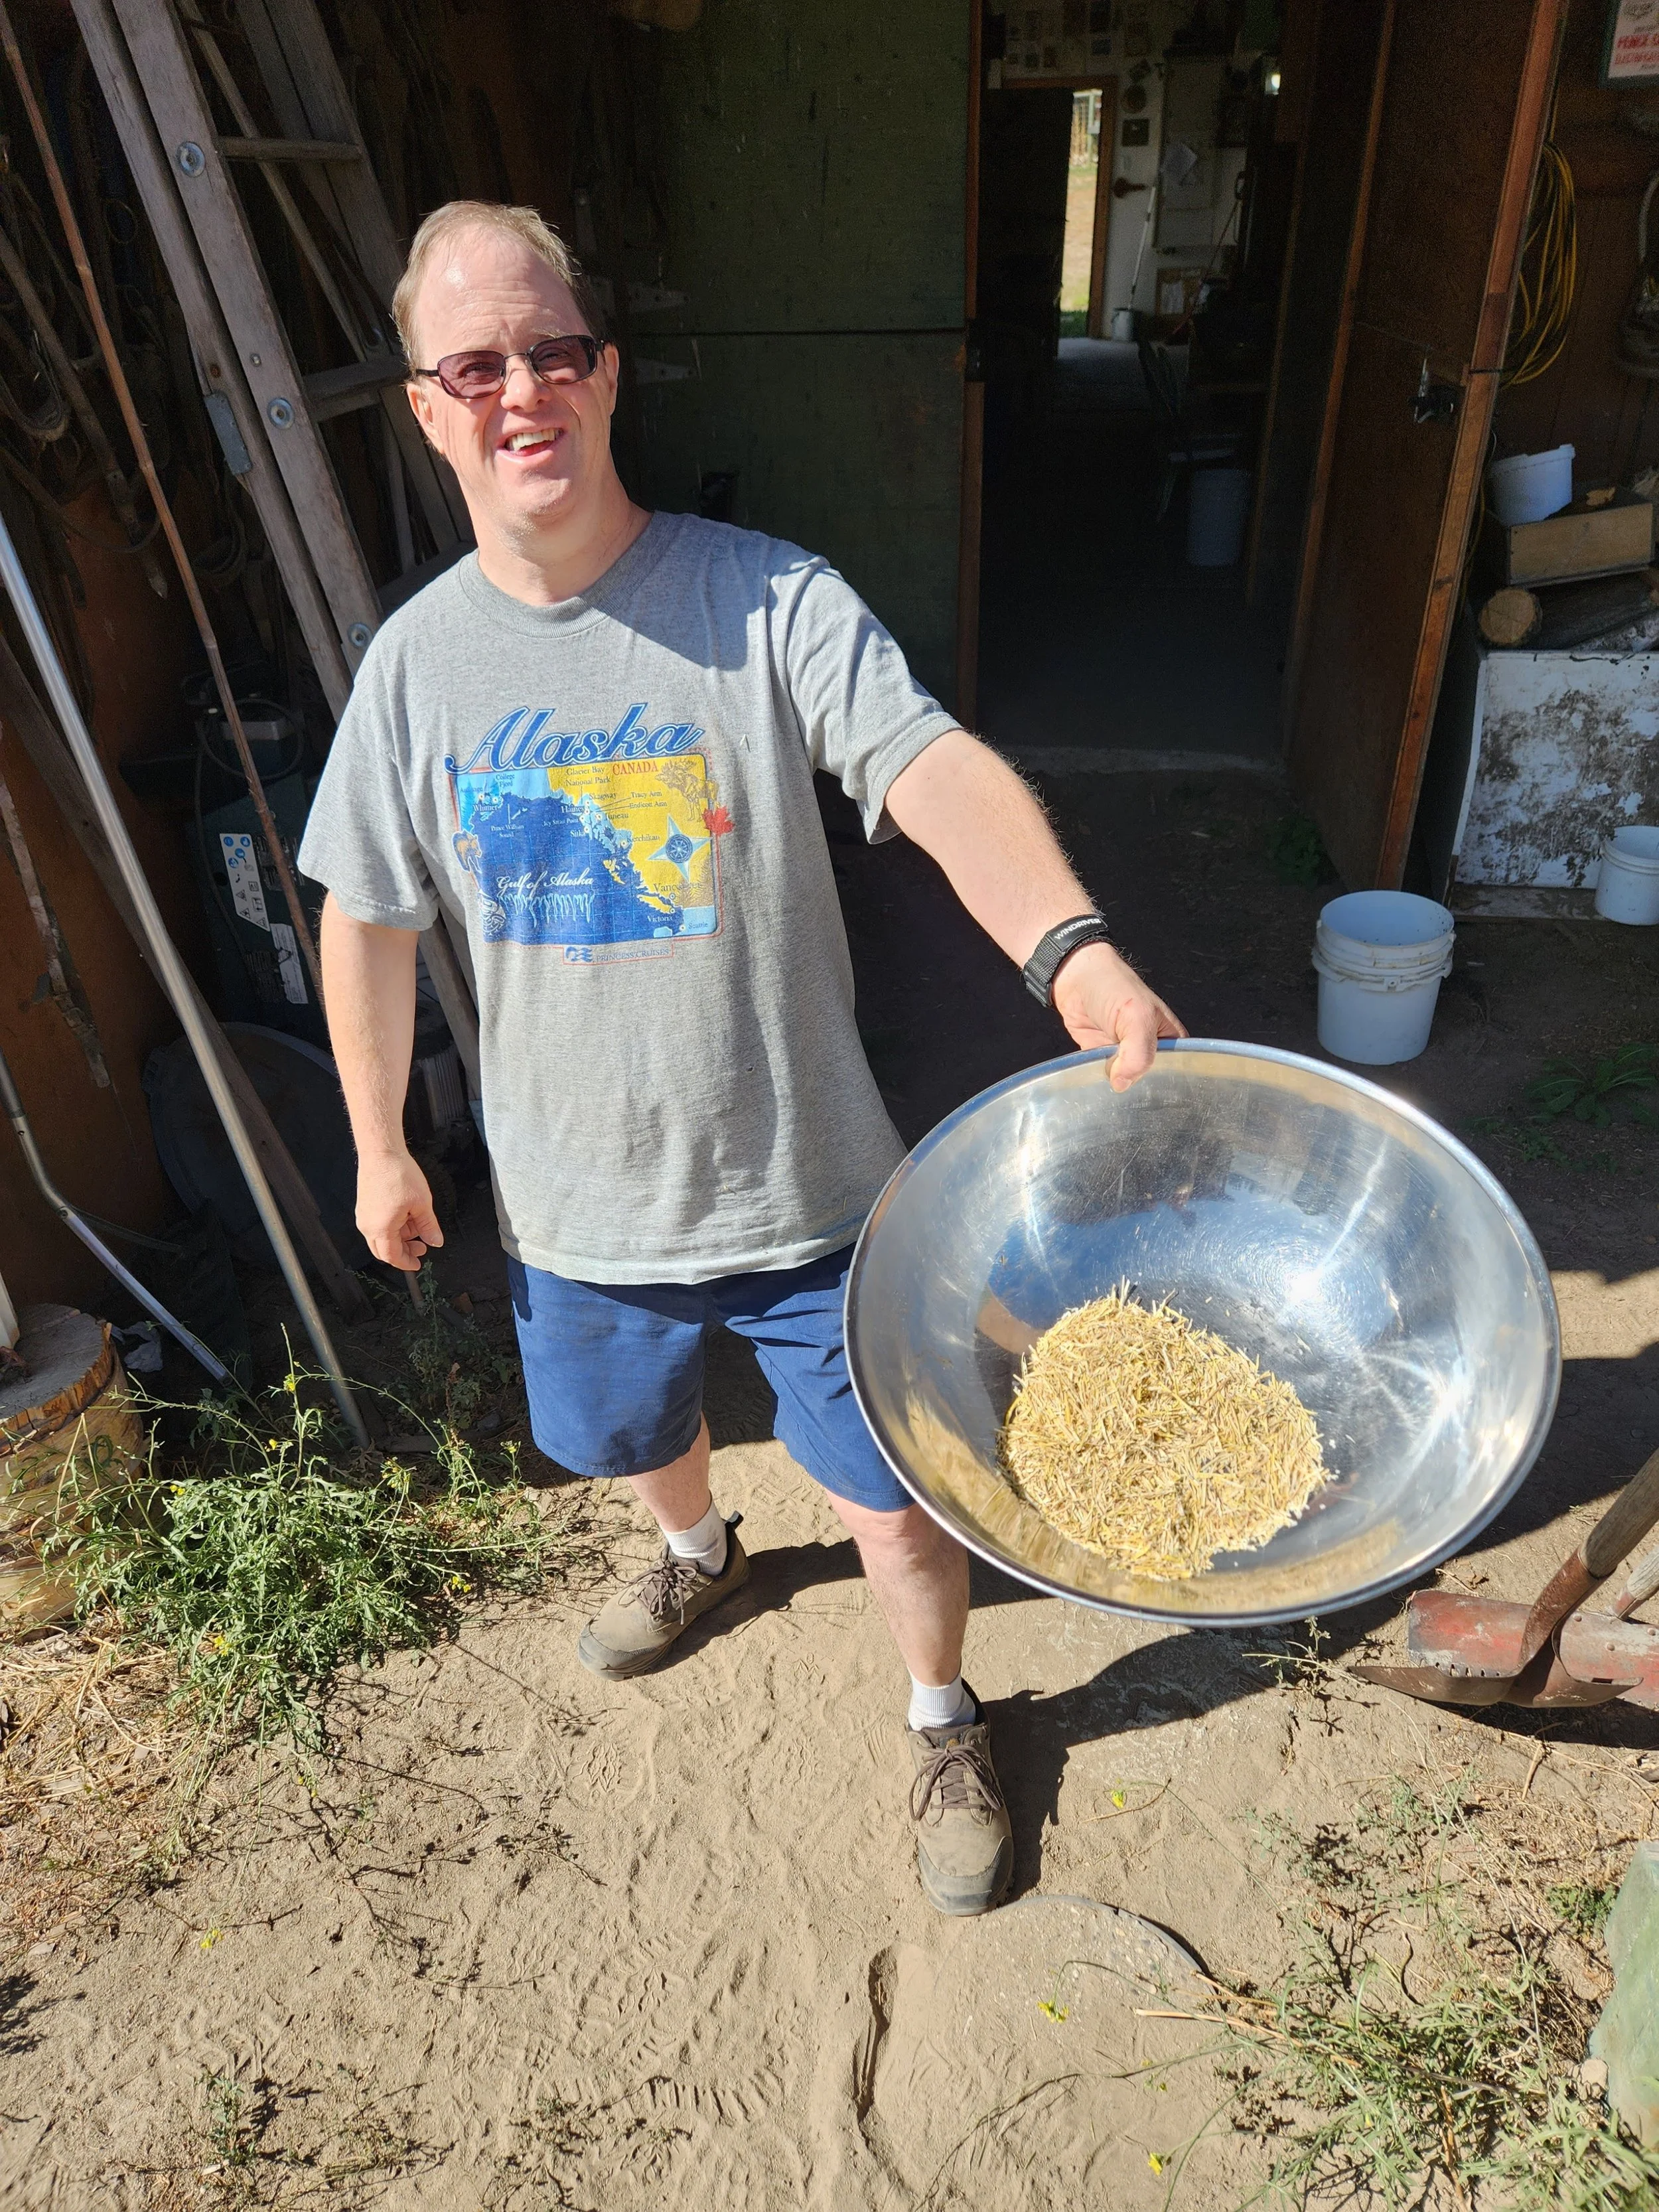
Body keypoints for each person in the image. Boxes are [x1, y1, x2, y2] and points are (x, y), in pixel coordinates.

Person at [299, 201, 1184, 1919]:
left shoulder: (761, 601)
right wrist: (379, 1143)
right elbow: (365, 918)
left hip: (808, 1190)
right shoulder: (415, 668)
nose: (520, 392)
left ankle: (942, 1713)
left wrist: (1066, 947)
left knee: (899, 1503)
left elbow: (927, 768)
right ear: (426, 404)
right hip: (574, 1211)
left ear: (608, 372)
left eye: (552, 350)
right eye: (475, 365)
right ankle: (695, 1548)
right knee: (628, 1431)